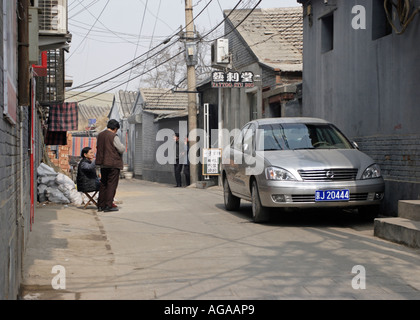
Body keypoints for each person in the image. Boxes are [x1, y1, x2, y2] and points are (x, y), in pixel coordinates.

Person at [96, 119, 125, 212]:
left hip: (103, 163)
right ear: (115, 128)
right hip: (113, 164)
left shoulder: (100, 135)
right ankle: (108, 205)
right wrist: (123, 147)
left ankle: (101, 205)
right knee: (111, 185)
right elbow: (120, 149)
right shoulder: (113, 136)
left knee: (103, 184)